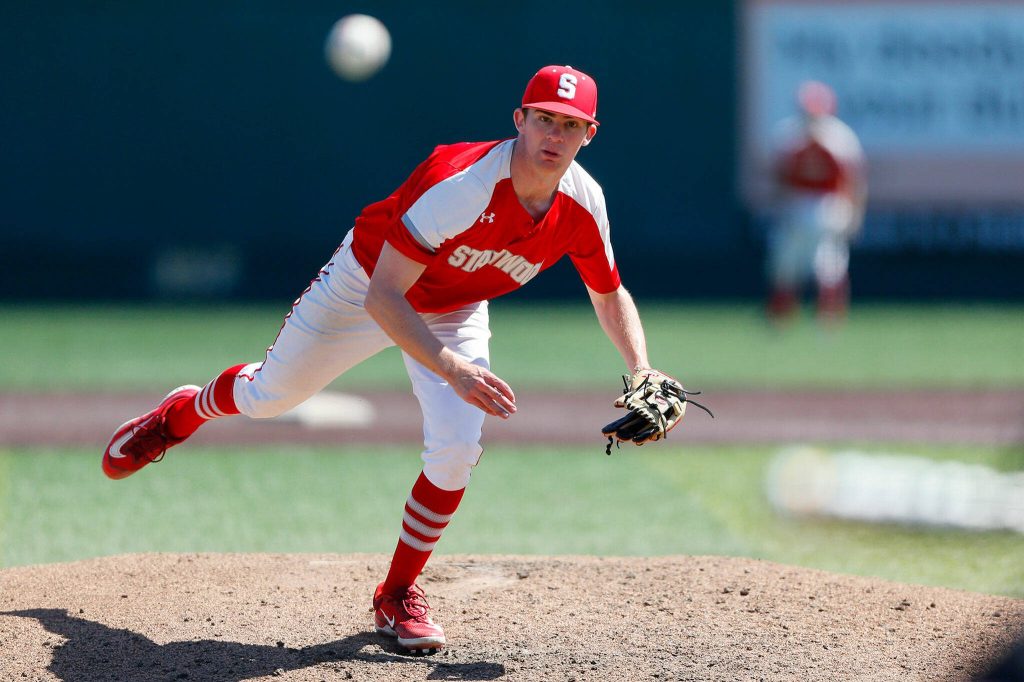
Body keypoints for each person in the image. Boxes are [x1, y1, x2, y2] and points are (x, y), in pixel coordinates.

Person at [102, 65, 665, 654]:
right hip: (367, 281)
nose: (555, 134)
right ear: (519, 120)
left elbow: (608, 292)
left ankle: (397, 593)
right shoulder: (463, 184)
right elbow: (384, 296)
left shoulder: (583, 201)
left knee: (456, 449)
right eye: (544, 118)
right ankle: (181, 413)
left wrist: (642, 366)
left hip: (455, 306)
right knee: (271, 396)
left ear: (589, 134)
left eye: (570, 125)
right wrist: (451, 368)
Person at [765, 80, 867, 324]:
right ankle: (781, 313)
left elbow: (855, 182)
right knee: (785, 262)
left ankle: (829, 315)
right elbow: (779, 179)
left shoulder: (840, 138)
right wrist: (780, 208)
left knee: (827, 262)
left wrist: (855, 216)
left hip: (829, 205)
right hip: (797, 204)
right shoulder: (788, 135)